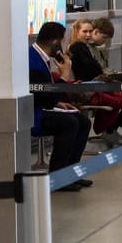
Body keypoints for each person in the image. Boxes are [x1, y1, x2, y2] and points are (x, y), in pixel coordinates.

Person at [28, 22, 92, 188]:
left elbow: (47, 96)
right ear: (55, 42)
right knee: (69, 124)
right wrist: (64, 77)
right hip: (33, 113)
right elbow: (44, 97)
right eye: (62, 42)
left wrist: (58, 102)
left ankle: (70, 172)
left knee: (83, 121)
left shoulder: (41, 57)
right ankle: (58, 176)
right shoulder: (33, 60)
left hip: (42, 106)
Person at [67, 17, 122, 139]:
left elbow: (96, 69)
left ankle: (112, 128)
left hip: (97, 82)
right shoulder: (78, 47)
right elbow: (92, 70)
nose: (88, 35)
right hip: (91, 86)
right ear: (77, 32)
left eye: (90, 31)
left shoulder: (85, 48)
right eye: (85, 32)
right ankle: (109, 128)